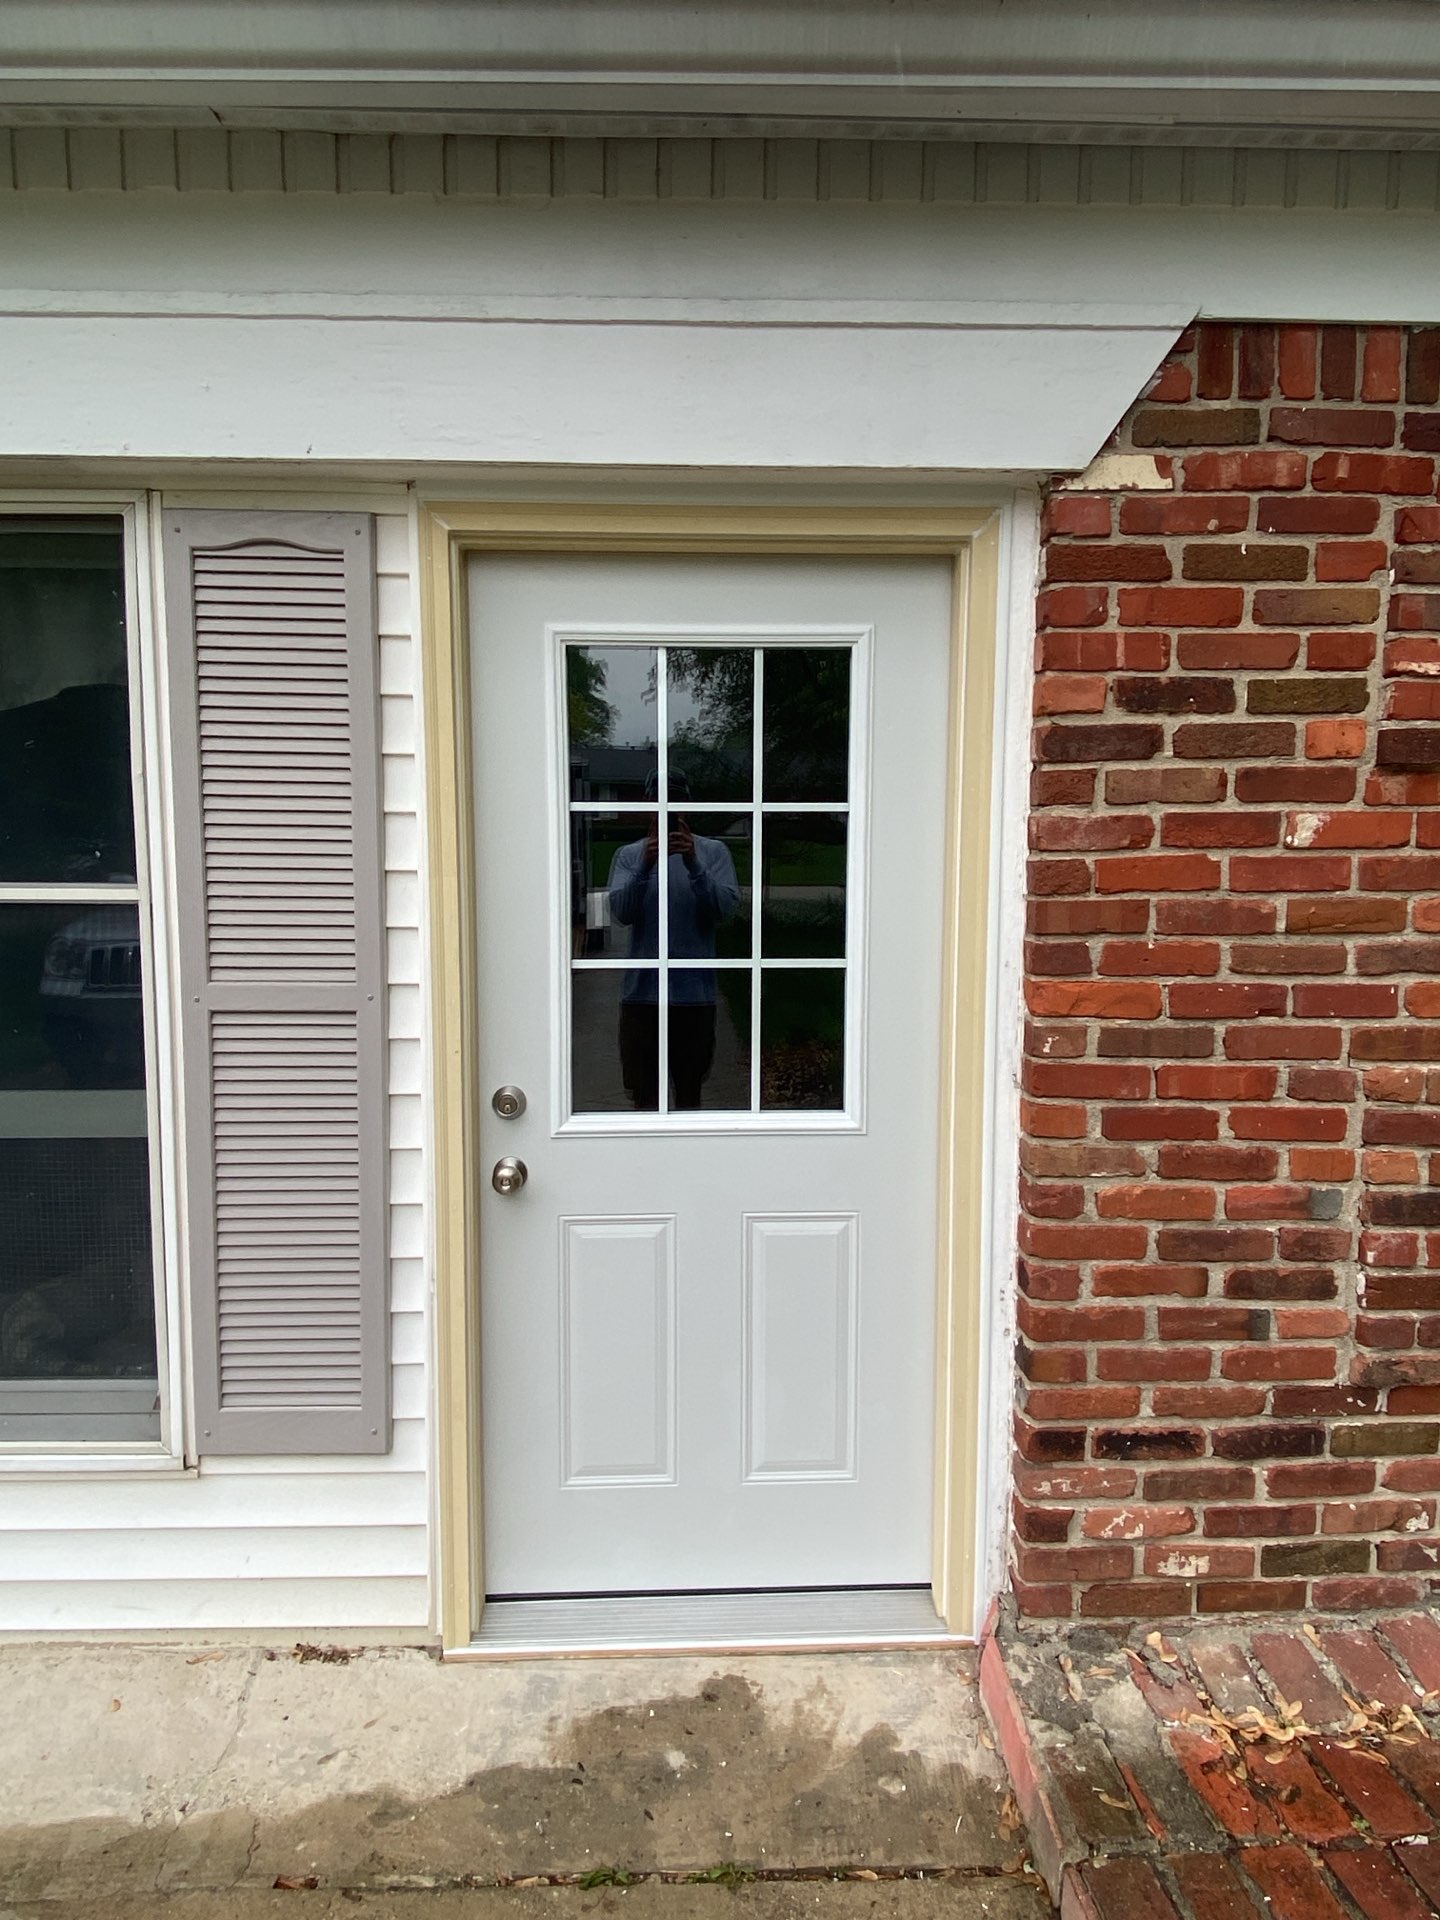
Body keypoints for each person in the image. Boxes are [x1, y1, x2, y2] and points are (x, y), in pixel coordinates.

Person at [607, 771, 740, 1110]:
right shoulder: (627, 855)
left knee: (689, 1097)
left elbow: (724, 911)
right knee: (644, 1100)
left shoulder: (714, 853)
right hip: (642, 997)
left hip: (695, 998)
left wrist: (694, 864)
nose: (667, 808)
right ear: (648, 806)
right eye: (659, 801)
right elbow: (621, 912)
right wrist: (645, 865)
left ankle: (689, 1163)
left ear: (688, 806)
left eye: (676, 801)